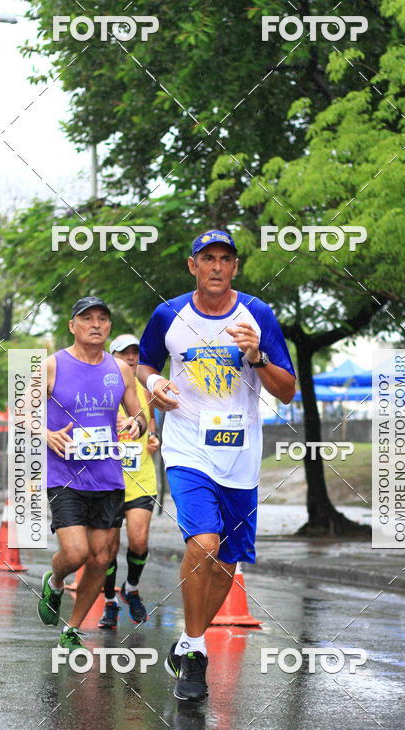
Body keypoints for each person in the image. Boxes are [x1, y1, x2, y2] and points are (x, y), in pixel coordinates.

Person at [138, 229, 296, 701]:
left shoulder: (258, 315)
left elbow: (286, 390)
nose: (216, 266)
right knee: (204, 543)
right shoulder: (169, 314)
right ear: (192, 266)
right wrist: (154, 387)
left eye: (226, 259)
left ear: (235, 267)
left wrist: (258, 356)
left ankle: (188, 641)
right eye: (207, 258)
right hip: (187, 448)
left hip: (241, 455)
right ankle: (197, 654)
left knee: (226, 562)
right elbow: (145, 364)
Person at [40, 296, 146, 652]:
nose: (96, 324)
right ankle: (55, 582)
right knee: (75, 553)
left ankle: (72, 628)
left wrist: (136, 424)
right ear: (73, 325)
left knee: (101, 558)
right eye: (87, 318)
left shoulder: (121, 369)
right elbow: (22, 412)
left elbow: (140, 416)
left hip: (108, 477)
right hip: (65, 476)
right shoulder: (52, 365)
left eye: (103, 318)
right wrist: (45, 433)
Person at [98, 334, 160, 629]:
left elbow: (153, 426)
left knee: (139, 540)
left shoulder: (147, 391)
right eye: (124, 354)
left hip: (141, 479)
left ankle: (131, 588)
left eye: (135, 354)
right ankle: (109, 601)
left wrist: (154, 440)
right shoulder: (101, 388)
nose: (131, 359)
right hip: (108, 480)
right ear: (112, 358)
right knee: (107, 549)